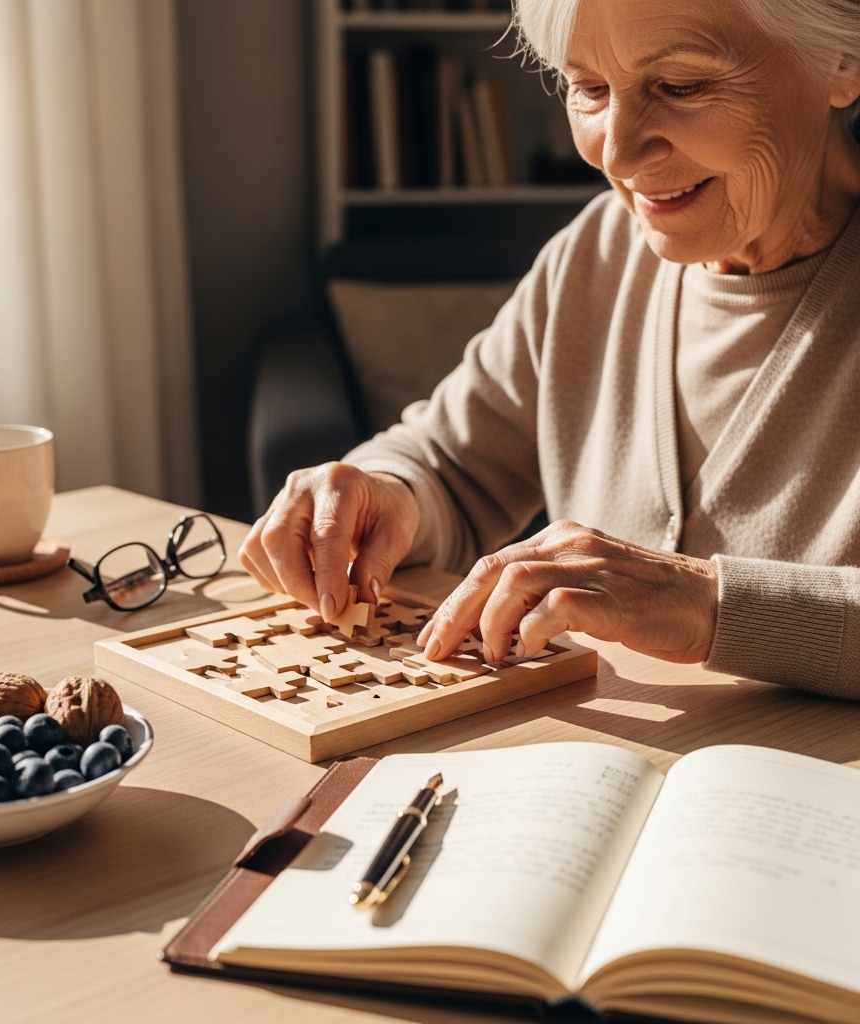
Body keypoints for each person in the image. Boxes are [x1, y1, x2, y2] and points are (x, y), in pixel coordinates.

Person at [240, 0, 860, 698]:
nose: (616, 153)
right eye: (588, 88)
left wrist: (707, 605)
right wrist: (385, 491)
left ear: (842, 59)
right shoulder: (598, 251)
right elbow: (450, 463)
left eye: (681, 86)